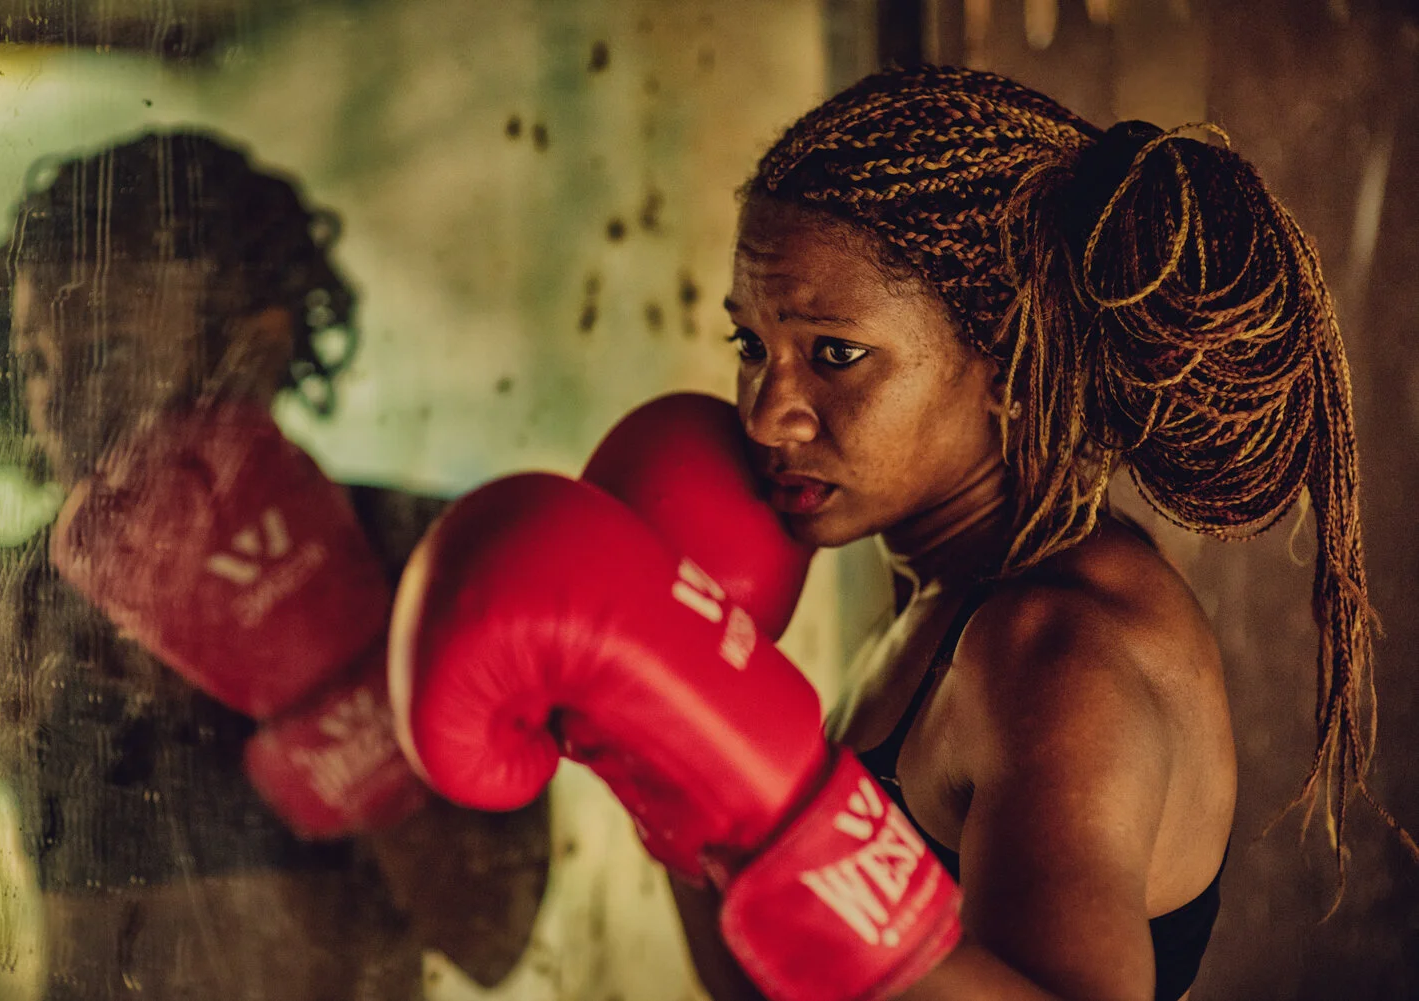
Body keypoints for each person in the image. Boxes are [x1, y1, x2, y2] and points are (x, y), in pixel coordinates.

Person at [385, 62, 1410, 1001]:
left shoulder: (1054, 654)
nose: (764, 410)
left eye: (834, 353)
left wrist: (787, 817)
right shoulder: (942, 602)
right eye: (752, 343)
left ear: (1008, 356)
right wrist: (666, 763)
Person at [0, 129, 550, 1000]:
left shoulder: (423, 560)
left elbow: (492, 934)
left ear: (251, 353)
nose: (60, 409)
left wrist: (327, 682)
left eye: (107, 354)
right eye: (36, 365)